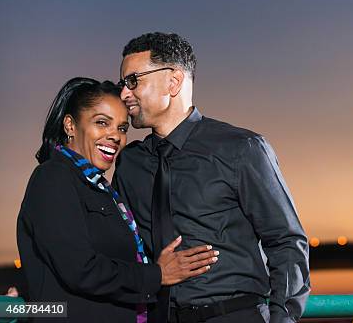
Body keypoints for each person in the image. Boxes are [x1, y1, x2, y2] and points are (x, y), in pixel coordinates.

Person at [114, 32, 310, 323]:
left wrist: (282, 320)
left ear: (173, 81)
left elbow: (286, 242)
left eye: (133, 81)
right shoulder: (130, 163)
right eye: (122, 84)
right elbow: (118, 247)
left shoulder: (241, 148)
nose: (124, 94)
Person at [17, 78, 219, 322]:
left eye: (122, 128)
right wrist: (157, 274)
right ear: (70, 125)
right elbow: (80, 269)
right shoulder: (53, 177)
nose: (115, 136)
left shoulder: (101, 189)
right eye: (102, 123)